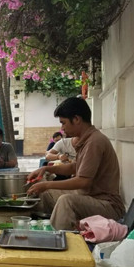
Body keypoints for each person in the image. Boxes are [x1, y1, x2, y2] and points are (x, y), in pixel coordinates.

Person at [26, 96, 125, 230]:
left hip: (107, 205)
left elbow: (83, 181)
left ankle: (60, 238)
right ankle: (38, 228)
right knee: (43, 194)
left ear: (77, 119)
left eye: (63, 123)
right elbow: (75, 167)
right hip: (88, 197)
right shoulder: (86, 140)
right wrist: (46, 169)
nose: (62, 128)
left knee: (66, 201)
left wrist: (47, 184)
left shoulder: (94, 142)